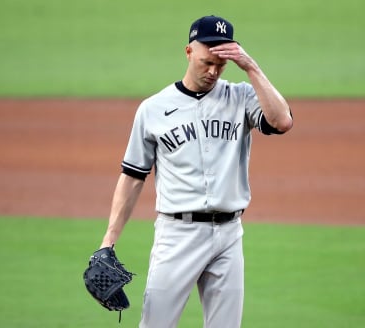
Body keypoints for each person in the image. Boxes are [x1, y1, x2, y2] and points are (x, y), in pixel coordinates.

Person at [99, 15, 293, 328]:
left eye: (221, 64)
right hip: (177, 235)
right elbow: (133, 177)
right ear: (189, 52)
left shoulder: (240, 96)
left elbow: (282, 121)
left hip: (229, 234)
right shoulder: (153, 109)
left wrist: (251, 68)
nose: (213, 71)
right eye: (206, 62)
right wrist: (108, 241)